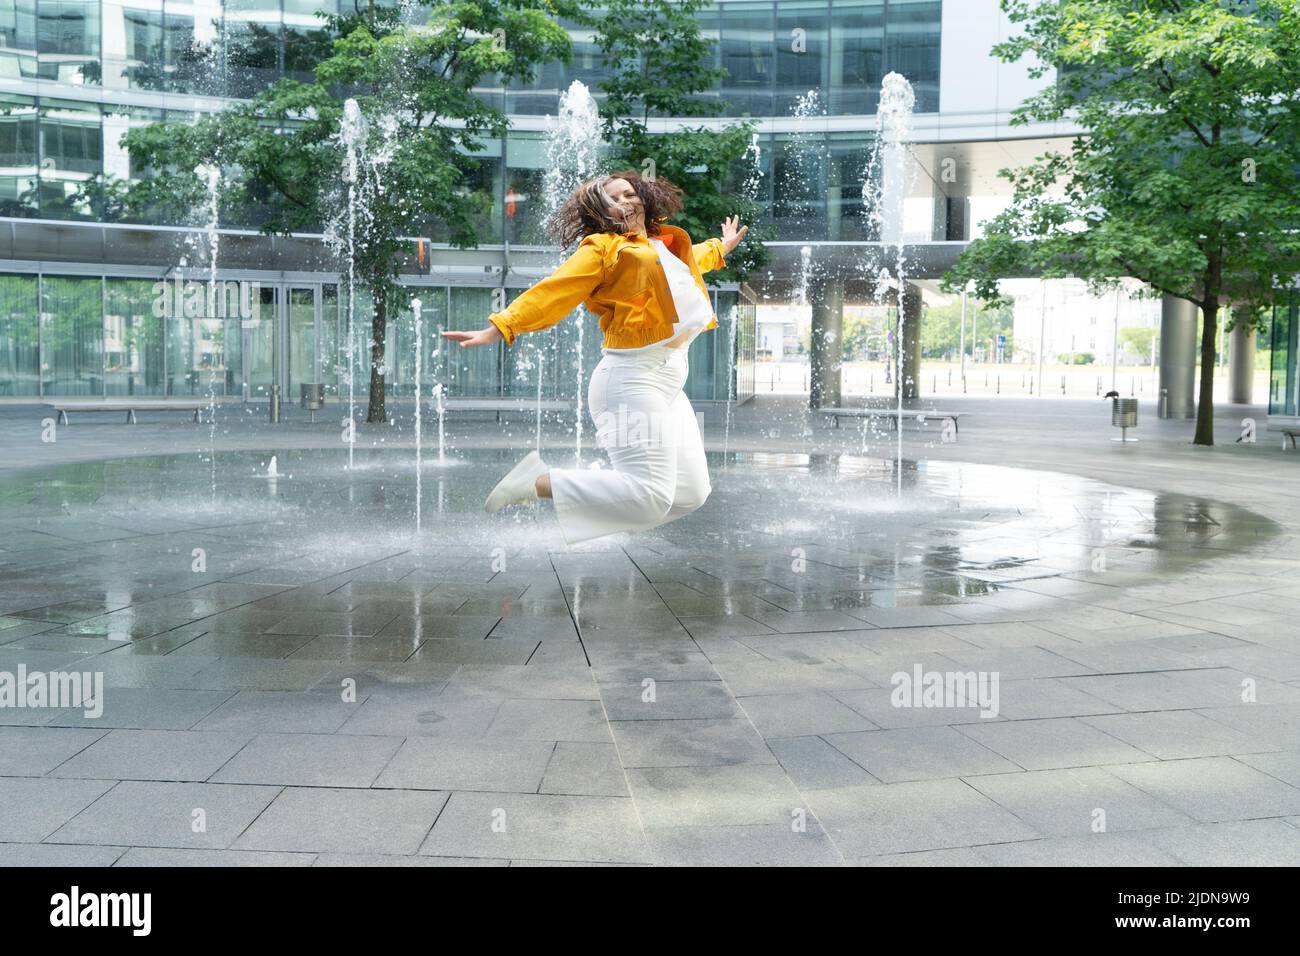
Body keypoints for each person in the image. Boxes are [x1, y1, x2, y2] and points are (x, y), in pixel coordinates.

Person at [441, 170, 749, 545]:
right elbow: (556, 290)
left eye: (629, 194)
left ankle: (612, 502)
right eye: (614, 200)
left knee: (691, 493)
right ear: (601, 212)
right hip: (630, 379)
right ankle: (539, 483)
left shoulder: (661, 245)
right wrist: (501, 325)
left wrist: (721, 247)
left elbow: (691, 261)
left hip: (669, 378)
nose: (625, 202)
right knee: (651, 497)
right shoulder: (602, 248)